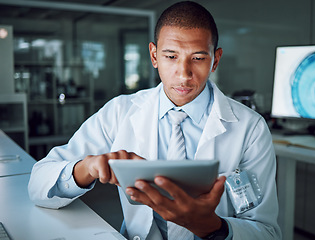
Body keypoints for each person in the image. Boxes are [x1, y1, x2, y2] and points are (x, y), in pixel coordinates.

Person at [28, 1, 281, 239]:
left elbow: (268, 232)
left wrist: (209, 227)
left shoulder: (250, 128)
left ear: (215, 59)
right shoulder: (120, 112)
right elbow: (38, 183)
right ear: (154, 56)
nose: (184, 74)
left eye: (198, 58)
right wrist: (87, 168)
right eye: (171, 56)